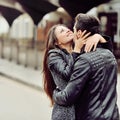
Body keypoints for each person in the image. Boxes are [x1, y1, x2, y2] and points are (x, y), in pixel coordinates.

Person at [53, 13, 119, 120]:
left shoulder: (84, 61)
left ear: (79, 33)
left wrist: (55, 92)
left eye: (73, 29)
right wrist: (99, 37)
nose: (72, 32)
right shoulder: (109, 55)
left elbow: (67, 97)